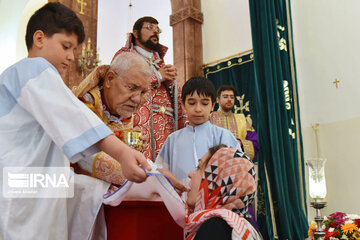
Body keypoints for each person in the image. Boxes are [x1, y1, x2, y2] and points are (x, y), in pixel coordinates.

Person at [0, 3, 151, 239]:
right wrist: (121, 153)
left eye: (75, 49)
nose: (71, 57)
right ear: (39, 38)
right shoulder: (34, 69)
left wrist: (97, 188)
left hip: (23, 182)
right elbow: (73, 115)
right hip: (22, 196)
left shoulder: (16, 76)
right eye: (66, 46)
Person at [112, 16, 187, 162]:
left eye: (157, 29)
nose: (155, 32)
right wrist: (158, 76)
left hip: (166, 126)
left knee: (166, 170)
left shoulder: (159, 61)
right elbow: (121, 83)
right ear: (135, 33)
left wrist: (172, 82)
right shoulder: (125, 55)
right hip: (140, 123)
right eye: (150, 28)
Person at [72, 52, 152, 186]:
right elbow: (85, 156)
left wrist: (134, 148)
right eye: (131, 88)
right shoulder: (82, 105)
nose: (137, 99)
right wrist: (150, 178)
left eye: (143, 93)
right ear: (109, 79)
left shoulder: (121, 111)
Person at [156, 77, 241, 183]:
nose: (198, 109)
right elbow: (160, 173)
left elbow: (239, 173)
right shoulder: (172, 140)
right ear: (183, 105)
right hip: (180, 198)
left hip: (216, 199)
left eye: (205, 104)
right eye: (192, 103)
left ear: (212, 105)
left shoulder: (224, 136)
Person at [185, 145, 262, 240]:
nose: (190, 174)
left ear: (218, 180)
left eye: (199, 168)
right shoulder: (243, 225)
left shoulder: (215, 228)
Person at [210, 85, 259, 160]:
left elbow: (254, 142)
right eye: (225, 97)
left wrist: (241, 142)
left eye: (232, 97)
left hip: (238, 163)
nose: (229, 99)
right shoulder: (210, 118)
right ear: (217, 100)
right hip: (215, 162)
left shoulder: (242, 119)